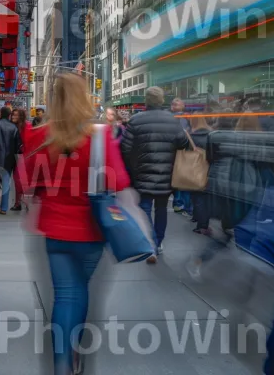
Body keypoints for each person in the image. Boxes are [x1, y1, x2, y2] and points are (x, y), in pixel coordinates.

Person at [23, 73, 130, 375]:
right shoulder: (100, 135)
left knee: (64, 294)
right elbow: (118, 180)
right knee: (79, 290)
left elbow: (24, 181)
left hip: (54, 228)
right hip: (91, 230)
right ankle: (73, 356)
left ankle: (61, 361)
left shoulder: (39, 135)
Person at [121, 86, 189, 263]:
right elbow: (183, 144)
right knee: (161, 209)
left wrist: (133, 166)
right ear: (161, 101)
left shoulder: (135, 120)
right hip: (166, 174)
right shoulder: (172, 120)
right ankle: (158, 243)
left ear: (146, 101)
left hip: (142, 174)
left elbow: (125, 149)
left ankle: (150, 244)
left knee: (144, 208)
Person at [188, 115, 213, 235]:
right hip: (209, 168)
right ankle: (201, 221)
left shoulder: (191, 136)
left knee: (196, 196)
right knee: (204, 197)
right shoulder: (212, 135)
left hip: (195, 169)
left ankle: (200, 221)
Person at [171, 98, 192, 215]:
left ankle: (179, 203)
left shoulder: (178, 117)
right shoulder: (183, 118)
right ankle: (180, 203)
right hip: (181, 152)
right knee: (181, 178)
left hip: (176, 152)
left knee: (178, 178)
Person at [10, 108, 30, 211]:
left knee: (20, 180)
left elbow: (27, 143)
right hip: (15, 156)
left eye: (16, 115)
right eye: (13, 114)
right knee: (16, 180)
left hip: (23, 157)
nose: (14, 116)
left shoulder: (26, 126)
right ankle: (18, 203)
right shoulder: (12, 126)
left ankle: (26, 203)